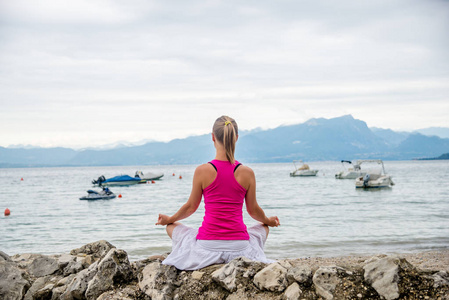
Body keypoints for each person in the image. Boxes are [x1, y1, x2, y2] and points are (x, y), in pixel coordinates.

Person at [156, 115, 280, 270]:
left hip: (208, 246)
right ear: (236, 138)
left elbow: (190, 208)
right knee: (263, 228)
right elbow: (253, 211)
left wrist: (170, 219)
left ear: (213, 137)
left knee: (171, 227)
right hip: (239, 247)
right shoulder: (247, 172)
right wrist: (268, 221)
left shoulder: (202, 171)